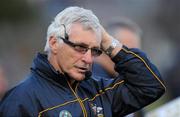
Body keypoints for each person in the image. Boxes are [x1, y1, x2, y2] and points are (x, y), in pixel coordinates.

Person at [0, 6, 166, 117]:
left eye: (94, 50)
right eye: (80, 47)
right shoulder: (21, 100)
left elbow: (151, 86)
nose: (88, 59)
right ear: (53, 43)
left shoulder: (98, 91)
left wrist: (107, 41)